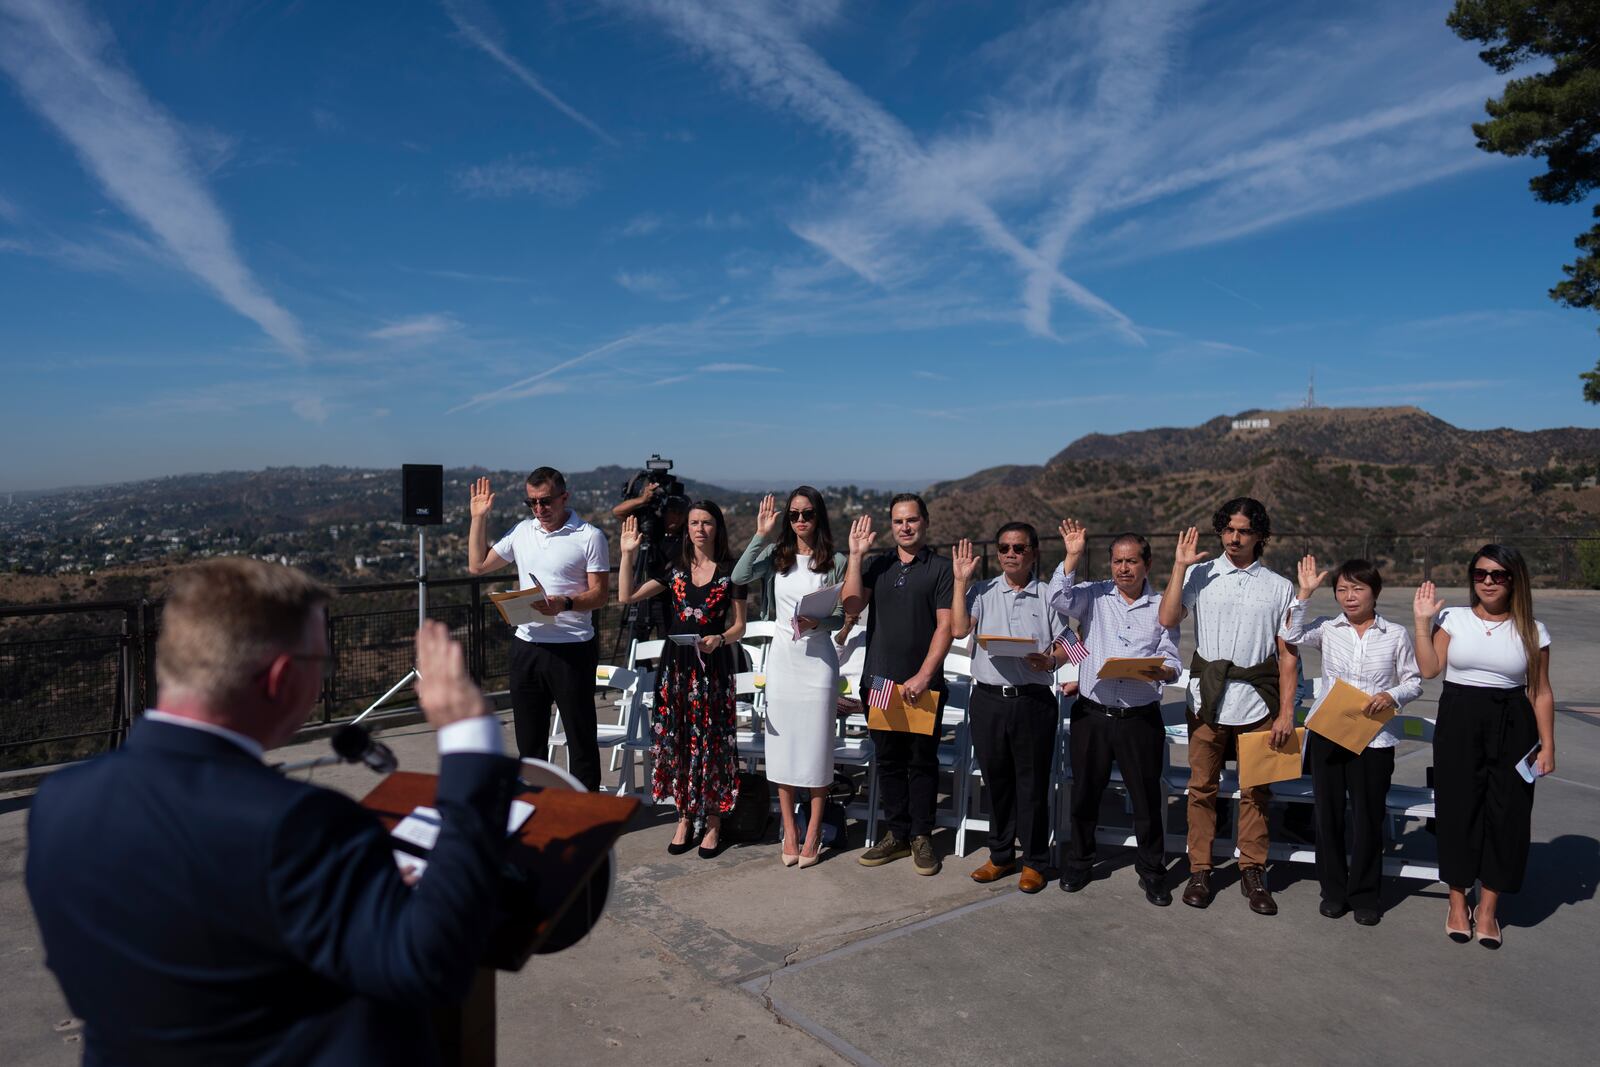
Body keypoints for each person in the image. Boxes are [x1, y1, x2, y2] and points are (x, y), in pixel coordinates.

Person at [26, 558, 517, 1067]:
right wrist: (469, 737)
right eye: (321, 665)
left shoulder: (58, 802)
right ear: (282, 678)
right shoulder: (301, 825)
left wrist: (344, 894)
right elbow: (435, 964)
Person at [1158, 497, 1299, 915]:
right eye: (1229, 529)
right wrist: (1180, 566)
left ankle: (1253, 869)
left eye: (1244, 531)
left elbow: (1287, 654)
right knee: (1202, 788)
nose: (1235, 538)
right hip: (1207, 700)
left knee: (1256, 791)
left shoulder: (1279, 586)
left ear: (1259, 536)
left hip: (1259, 701)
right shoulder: (1201, 574)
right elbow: (1168, 618)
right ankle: (1200, 868)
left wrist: (1287, 711)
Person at [1413, 545, 1555, 950]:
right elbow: (1428, 669)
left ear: (1515, 580)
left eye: (1498, 574)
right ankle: (1458, 902)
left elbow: (1541, 691)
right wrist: (1423, 624)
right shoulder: (1454, 619)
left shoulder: (1533, 630)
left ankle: (1489, 908)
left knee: (1507, 815)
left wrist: (1547, 744)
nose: (1488, 581)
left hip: (1514, 722)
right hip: (1459, 718)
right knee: (1458, 811)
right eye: (1480, 574)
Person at [1047, 521, 1182, 906]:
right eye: (1117, 561)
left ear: (1147, 564)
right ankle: (1080, 861)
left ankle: (1153, 871)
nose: (1123, 568)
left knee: (1145, 800)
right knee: (1086, 793)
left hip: (1140, 718)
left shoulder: (1162, 607)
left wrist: (1163, 670)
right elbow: (1059, 598)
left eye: (1131, 561)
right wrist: (1072, 556)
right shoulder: (1094, 595)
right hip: (1092, 714)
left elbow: (1173, 659)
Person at [1284, 556, 1422, 926]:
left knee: (1368, 818)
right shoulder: (1328, 629)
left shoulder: (1394, 634)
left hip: (1374, 739)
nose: (1349, 596)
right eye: (1342, 589)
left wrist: (1392, 696)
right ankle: (1332, 891)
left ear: (1374, 592)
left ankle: (1364, 894)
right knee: (1327, 816)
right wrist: (1304, 593)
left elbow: (1413, 680)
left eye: (1357, 588)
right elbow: (1290, 635)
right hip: (1329, 733)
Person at [618, 501, 748, 857]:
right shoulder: (674, 567)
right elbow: (625, 596)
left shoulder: (732, 571)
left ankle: (714, 819)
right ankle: (685, 816)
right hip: (676, 669)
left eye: (707, 522)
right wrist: (627, 555)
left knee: (713, 741)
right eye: (694, 522)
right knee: (678, 739)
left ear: (717, 527)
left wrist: (719, 639)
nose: (700, 529)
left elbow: (740, 626)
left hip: (714, 666)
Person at [467, 469, 610, 790]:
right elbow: (476, 566)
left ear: (564, 497)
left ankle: (585, 816)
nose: (539, 509)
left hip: (572, 649)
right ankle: (535, 810)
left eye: (545, 501)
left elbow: (599, 595)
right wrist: (479, 518)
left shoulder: (590, 536)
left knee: (580, 738)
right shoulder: (522, 532)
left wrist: (565, 603)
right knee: (529, 742)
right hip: (527, 648)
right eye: (531, 503)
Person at [950, 525, 1072, 894]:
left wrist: (1049, 660)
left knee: (1032, 785)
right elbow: (958, 629)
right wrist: (960, 582)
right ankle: (1001, 855)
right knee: (997, 782)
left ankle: (1035, 861)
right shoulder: (982, 591)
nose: (1010, 553)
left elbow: (1067, 642)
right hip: (988, 699)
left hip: (1033, 701)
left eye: (1019, 547)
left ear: (1033, 553)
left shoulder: (1049, 595)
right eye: (1004, 547)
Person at [731, 489, 847, 867]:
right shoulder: (776, 557)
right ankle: (790, 829)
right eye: (795, 514)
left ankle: (813, 830)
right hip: (782, 659)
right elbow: (739, 575)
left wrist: (819, 621)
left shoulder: (836, 561)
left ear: (819, 517)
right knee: (781, 749)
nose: (800, 520)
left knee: (816, 747)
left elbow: (844, 615)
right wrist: (760, 535)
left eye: (808, 514)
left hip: (818, 662)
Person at [841, 493, 954, 875]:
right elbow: (852, 606)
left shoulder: (940, 568)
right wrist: (856, 556)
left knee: (921, 762)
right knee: (888, 762)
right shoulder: (879, 564)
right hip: (880, 682)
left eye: (911, 520)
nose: (905, 527)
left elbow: (946, 626)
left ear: (925, 522)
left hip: (923, 685)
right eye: (898, 522)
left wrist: (923, 675)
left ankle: (922, 836)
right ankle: (897, 834)